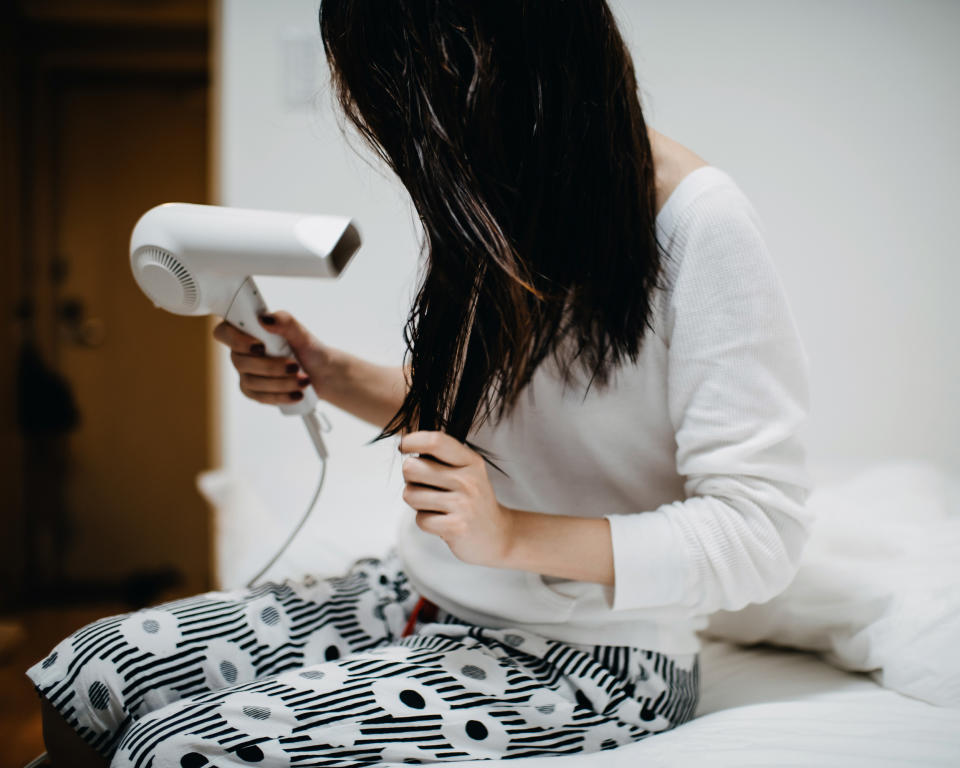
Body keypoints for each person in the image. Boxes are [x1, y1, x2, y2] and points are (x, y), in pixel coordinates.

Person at [27, 1, 813, 766]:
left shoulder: (702, 226)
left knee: (176, 750)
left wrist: (509, 536)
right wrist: (330, 374)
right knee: (87, 676)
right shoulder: (505, 198)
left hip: (588, 656)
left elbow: (759, 532)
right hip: (412, 591)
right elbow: (495, 405)